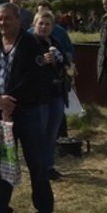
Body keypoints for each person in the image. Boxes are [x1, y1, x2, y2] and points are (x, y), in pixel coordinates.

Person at [0, 3, 54, 213]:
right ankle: (1, 210)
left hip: (27, 112)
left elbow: (35, 77)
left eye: (8, 18)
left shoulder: (31, 43)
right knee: (3, 163)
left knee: (36, 163)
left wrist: (10, 101)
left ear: (18, 20)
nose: (3, 23)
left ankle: (44, 212)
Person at [31, 10, 70, 181]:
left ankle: (49, 166)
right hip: (39, 96)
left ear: (53, 27)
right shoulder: (29, 43)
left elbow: (66, 64)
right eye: (40, 23)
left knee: (53, 132)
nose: (44, 27)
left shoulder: (56, 42)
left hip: (57, 93)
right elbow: (24, 67)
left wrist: (57, 62)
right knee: (40, 132)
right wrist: (42, 61)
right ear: (34, 25)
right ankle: (38, 167)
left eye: (47, 24)